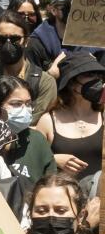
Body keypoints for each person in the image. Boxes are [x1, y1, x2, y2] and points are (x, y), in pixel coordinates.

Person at [36, 52, 104, 181]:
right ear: (72, 83)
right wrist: (53, 159)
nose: (96, 80)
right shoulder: (48, 121)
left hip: (99, 196)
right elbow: (32, 160)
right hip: (63, 197)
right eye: (89, 74)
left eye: (98, 74)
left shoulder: (103, 115)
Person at [0, 76, 57, 188]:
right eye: (16, 104)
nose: (25, 109)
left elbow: (50, 183)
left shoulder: (37, 140)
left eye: (28, 104)